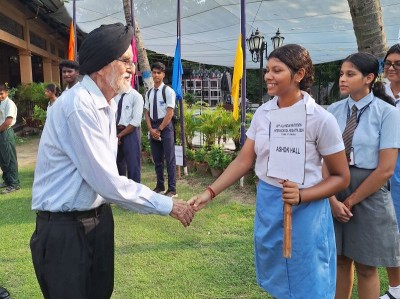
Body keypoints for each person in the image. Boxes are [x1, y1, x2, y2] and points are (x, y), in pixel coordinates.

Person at [30, 23, 194, 299]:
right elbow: (107, 182)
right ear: (102, 66)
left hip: (97, 221)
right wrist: (169, 206)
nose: (133, 69)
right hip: (66, 232)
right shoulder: (78, 106)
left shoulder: (107, 104)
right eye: (126, 62)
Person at [189, 44, 350, 298]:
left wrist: (301, 196)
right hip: (268, 203)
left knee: (308, 280)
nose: (268, 76)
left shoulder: (321, 119)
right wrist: (209, 192)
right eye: (267, 70)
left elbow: (342, 177)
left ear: (299, 75)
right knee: (277, 278)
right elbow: (244, 160)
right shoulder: (263, 114)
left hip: (306, 210)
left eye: (277, 70)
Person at [327, 52, 400, 299]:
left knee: (367, 266)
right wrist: (333, 200)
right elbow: (322, 157)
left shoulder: (388, 113)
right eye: (341, 74)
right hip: (335, 186)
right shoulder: (333, 111)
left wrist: (350, 201)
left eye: (350, 74)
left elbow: (386, 169)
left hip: (369, 191)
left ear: (368, 78)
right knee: (340, 260)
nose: (342, 79)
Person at [144, 62, 177, 197]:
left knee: (169, 158)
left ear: (163, 74)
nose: (156, 75)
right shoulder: (149, 93)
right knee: (157, 159)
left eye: (159, 72)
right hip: (153, 126)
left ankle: (172, 189)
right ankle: (160, 185)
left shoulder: (168, 91)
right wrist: (151, 129)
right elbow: (146, 111)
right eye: (154, 72)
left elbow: (170, 112)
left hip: (165, 126)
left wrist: (159, 129)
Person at [383, 44, 400, 299]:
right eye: (387, 63)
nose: (392, 67)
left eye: (398, 64)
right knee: (390, 230)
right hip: (384, 166)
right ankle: (395, 289)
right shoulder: (377, 94)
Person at [115, 85, 144, 182]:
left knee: (133, 165)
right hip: (116, 131)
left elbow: (135, 121)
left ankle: (135, 193)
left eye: (127, 78)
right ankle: (120, 192)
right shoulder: (115, 95)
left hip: (130, 132)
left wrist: (120, 135)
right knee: (118, 164)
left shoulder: (136, 96)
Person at [0, 84, 20, 194]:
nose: (0, 96)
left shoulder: (9, 104)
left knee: (10, 158)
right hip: (0, 132)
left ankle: (14, 184)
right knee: (2, 159)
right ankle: (7, 181)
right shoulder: (1, 103)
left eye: (1, 94)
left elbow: (8, 121)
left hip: (6, 132)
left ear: (6, 93)